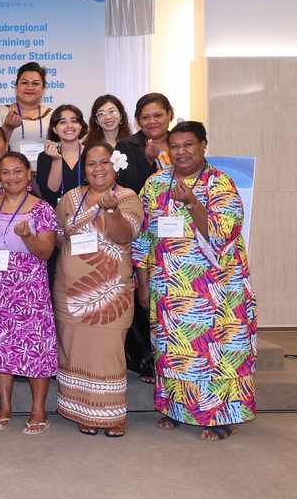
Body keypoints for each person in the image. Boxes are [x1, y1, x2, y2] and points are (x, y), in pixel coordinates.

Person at [134, 121, 257, 441]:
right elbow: (143, 238)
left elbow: (222, 233)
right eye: (175, 146)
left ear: (203, 145)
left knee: (215, 356)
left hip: (215, 291)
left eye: (188, 145)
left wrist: (191, 202)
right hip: (169, 289)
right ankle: (176, 410)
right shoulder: (156, 183)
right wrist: (143, 283)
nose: (181, 152)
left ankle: (220, 417)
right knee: (172, 353)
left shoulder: (220, 184)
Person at [53, 142, 143, 437]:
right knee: (75, 351)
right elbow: (59, 238)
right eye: (91, 164)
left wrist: (113, 211)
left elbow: (123, 235)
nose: (98, 168)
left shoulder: (127, 197)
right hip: (71, 293)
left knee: (108, 352)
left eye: (104, 162)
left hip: (112, 293)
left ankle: (112, 414)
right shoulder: (70, 198)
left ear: (115, 165)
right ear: (84, 168)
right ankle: (83, 411)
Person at [0, 151, 57, 435]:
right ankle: (5, 406)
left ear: (28, 175)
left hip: (28, 288)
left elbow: (47, 251)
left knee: (33, 346)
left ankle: (38, 410)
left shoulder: (41, 209)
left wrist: (27, 236)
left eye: (17, 171)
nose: (11, 177)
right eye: (6, 172)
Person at [115, 92, 174, 383]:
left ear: (169, 115)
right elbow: (126, 188)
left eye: (157, 115)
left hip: (178, 236)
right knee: (142, 292)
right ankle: (145, 360)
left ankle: (173, 357)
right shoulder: (129, 145)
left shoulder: (180, 143)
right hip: (143, 231)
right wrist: (149, 163)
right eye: (145, 117)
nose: (152, 121)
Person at [0, 61, 52, 172]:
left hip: (48, 178)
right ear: (16, 87)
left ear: (43, 89)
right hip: (9, 179)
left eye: (35, 83)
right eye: (24, 83)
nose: (30, 87)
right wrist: (7, 128)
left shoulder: (54, 116)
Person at [36, 104, 88, 208]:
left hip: (90, 214)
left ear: (80, 125)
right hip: (57, 216)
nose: (69, 126)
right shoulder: (45, 157)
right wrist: (57, 160)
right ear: (55, 129)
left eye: (74, 121)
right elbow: (51, 192)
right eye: (63, 122)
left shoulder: (92, 154)